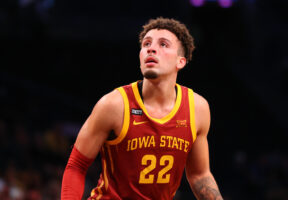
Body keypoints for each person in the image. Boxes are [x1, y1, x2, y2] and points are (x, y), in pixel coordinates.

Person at [61, 17, 223, 200]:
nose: (151, 48)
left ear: (181, 62)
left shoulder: (197, 108)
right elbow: (76, 165)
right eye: (146, 44)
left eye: (163, 44)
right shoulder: (114, 104)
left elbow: (199, 175)